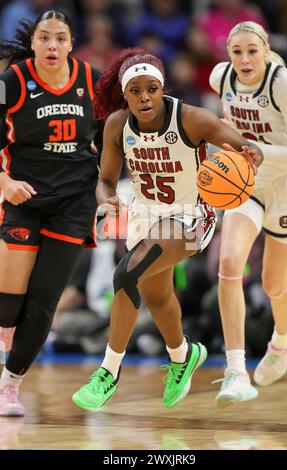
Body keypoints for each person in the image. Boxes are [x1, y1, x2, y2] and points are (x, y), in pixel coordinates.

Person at [72, 47, 263, 411]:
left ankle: (108, 372)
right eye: (136, 91)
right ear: (125, 95)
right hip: (146, 213)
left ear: (162, 88)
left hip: (191, 213)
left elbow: (242, 146)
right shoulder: (117, 125)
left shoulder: (192, 118)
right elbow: (107, 180)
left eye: (151, 88)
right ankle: (183, 354)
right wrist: (107, 198)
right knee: (157, 295)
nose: (144, 97)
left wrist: (250, 152)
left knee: (126, 273)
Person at [0, 10, 101, 416]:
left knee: (44, 300)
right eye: (45, 38)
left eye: (60, 38)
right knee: (10, 304)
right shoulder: (12, 81)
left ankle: (11, 385)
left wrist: (108, 187)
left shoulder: (92, 80)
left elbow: (115, 134)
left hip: (74, 202)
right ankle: (7, 337)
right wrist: (5, 184)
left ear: (72, 43)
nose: (53, 45)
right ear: (34, 42)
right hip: (25, 199)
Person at [209, 21, 287, 407]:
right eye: (236, 52)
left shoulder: (286, 85)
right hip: (245, 184)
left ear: (265, 49)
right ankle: (235, 371)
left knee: (273, 285)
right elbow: (228, 121)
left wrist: (254, 148)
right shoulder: (221, 77)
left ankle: (283, 340)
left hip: (284, 187)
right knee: (229, 266)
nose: (244, 59)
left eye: (251, 50)